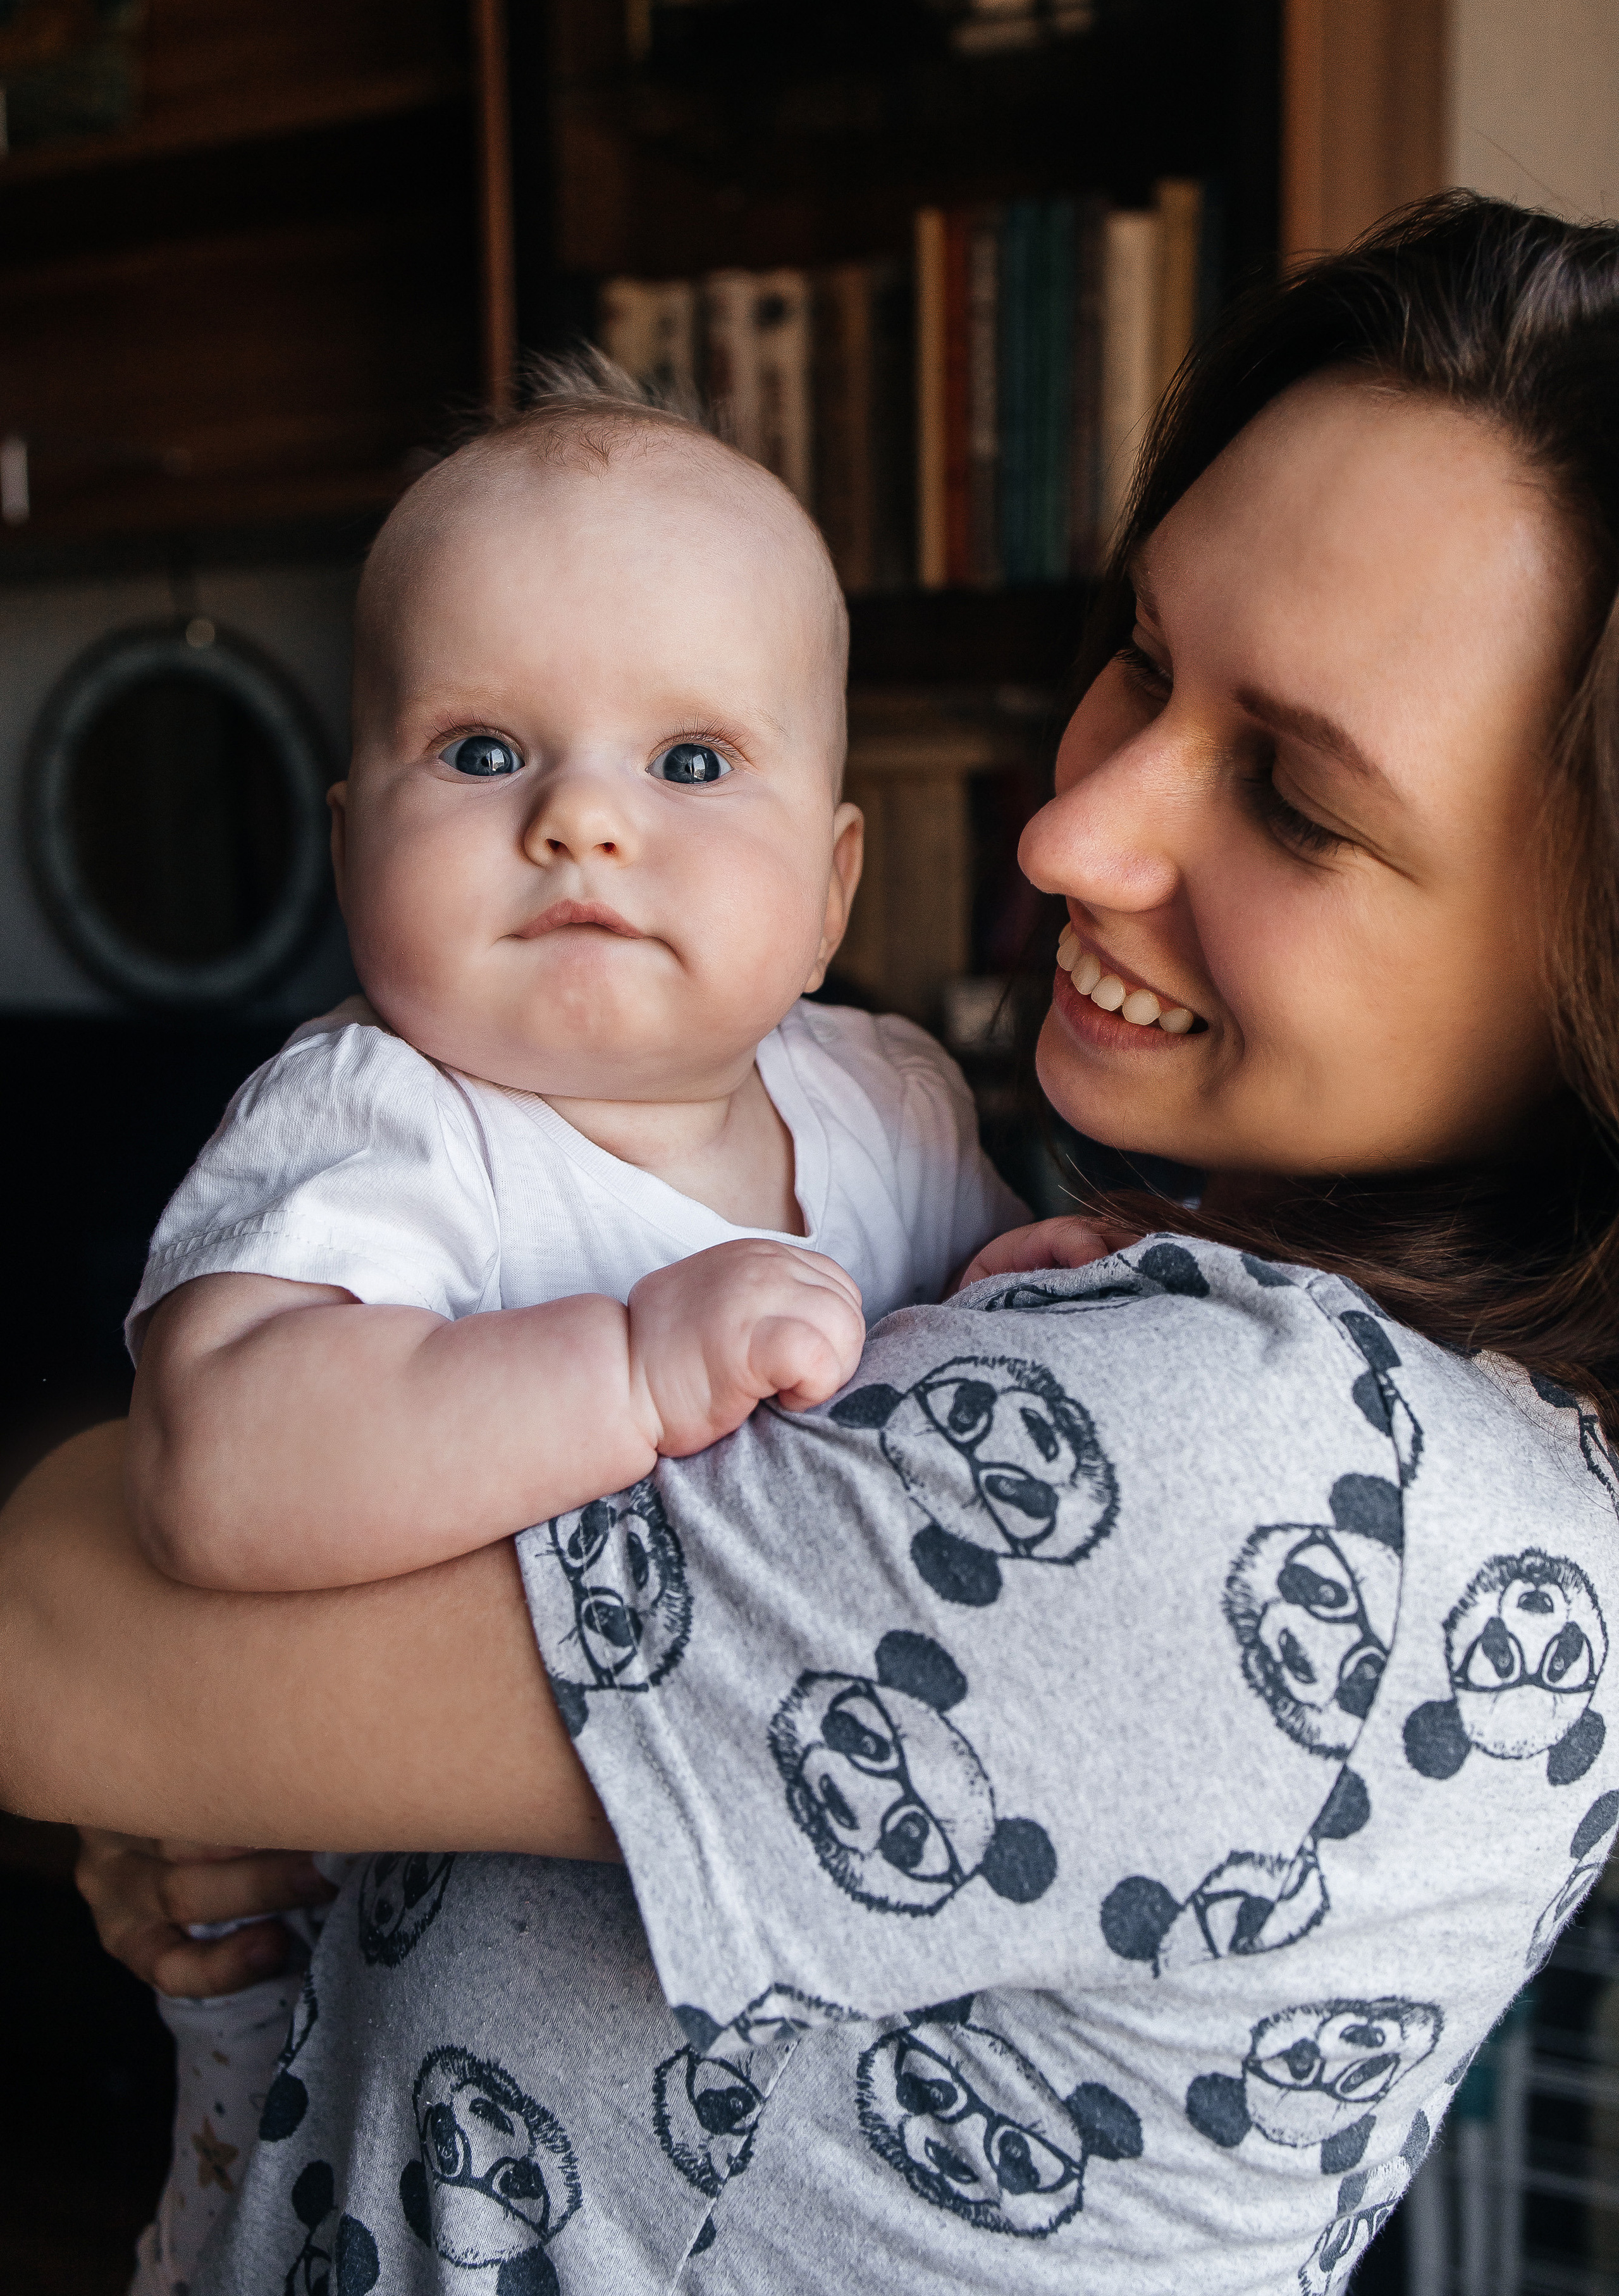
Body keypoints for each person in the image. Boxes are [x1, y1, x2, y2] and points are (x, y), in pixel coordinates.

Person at [9, 190, 1619, 2296]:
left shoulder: (1265, 1476)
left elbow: (53, 1629)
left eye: (1298, 802)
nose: (1067, 836)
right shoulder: (1182, 1317)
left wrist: (203, 1719)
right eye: (1138, 654)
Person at [99, 359, 1026, 2290]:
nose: (582, 823)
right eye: (483, 752)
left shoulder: (899, 1112)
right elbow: (222, 1465)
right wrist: (626, 1365)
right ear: (355, 840)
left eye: (690, 764)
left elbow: (1003, 1373)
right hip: (344, 2078)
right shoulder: (378, 1125)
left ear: (835, 882)